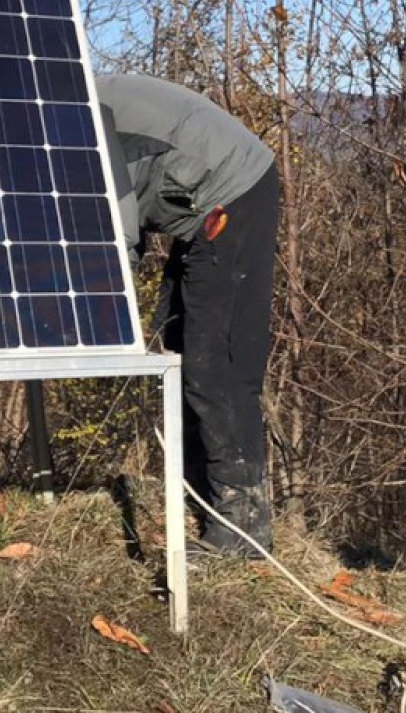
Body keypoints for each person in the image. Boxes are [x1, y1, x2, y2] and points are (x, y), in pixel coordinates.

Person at [97, 74, 279, 558]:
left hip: (232, 192)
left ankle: (241, 527)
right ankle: (204, 497)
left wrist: (99, 305)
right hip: (205, 200)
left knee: (212, 363)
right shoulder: (56, 111)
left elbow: (115, 229)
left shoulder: (77, 119)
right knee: (177, 342)